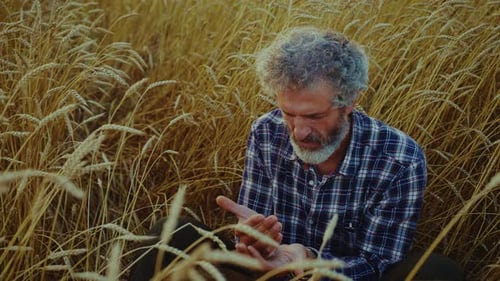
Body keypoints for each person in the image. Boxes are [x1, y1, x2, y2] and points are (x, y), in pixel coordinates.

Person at [128, 26, 464, 281]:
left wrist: (304, 259)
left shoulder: (399, 158)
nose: (299, 131)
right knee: (171, 234)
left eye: (315, 116)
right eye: (289, 113)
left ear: (350, 102)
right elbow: (252, 225)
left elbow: (379, 262)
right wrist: (253, 243)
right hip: (267, 274)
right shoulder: (266, 130)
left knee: (436, 271)